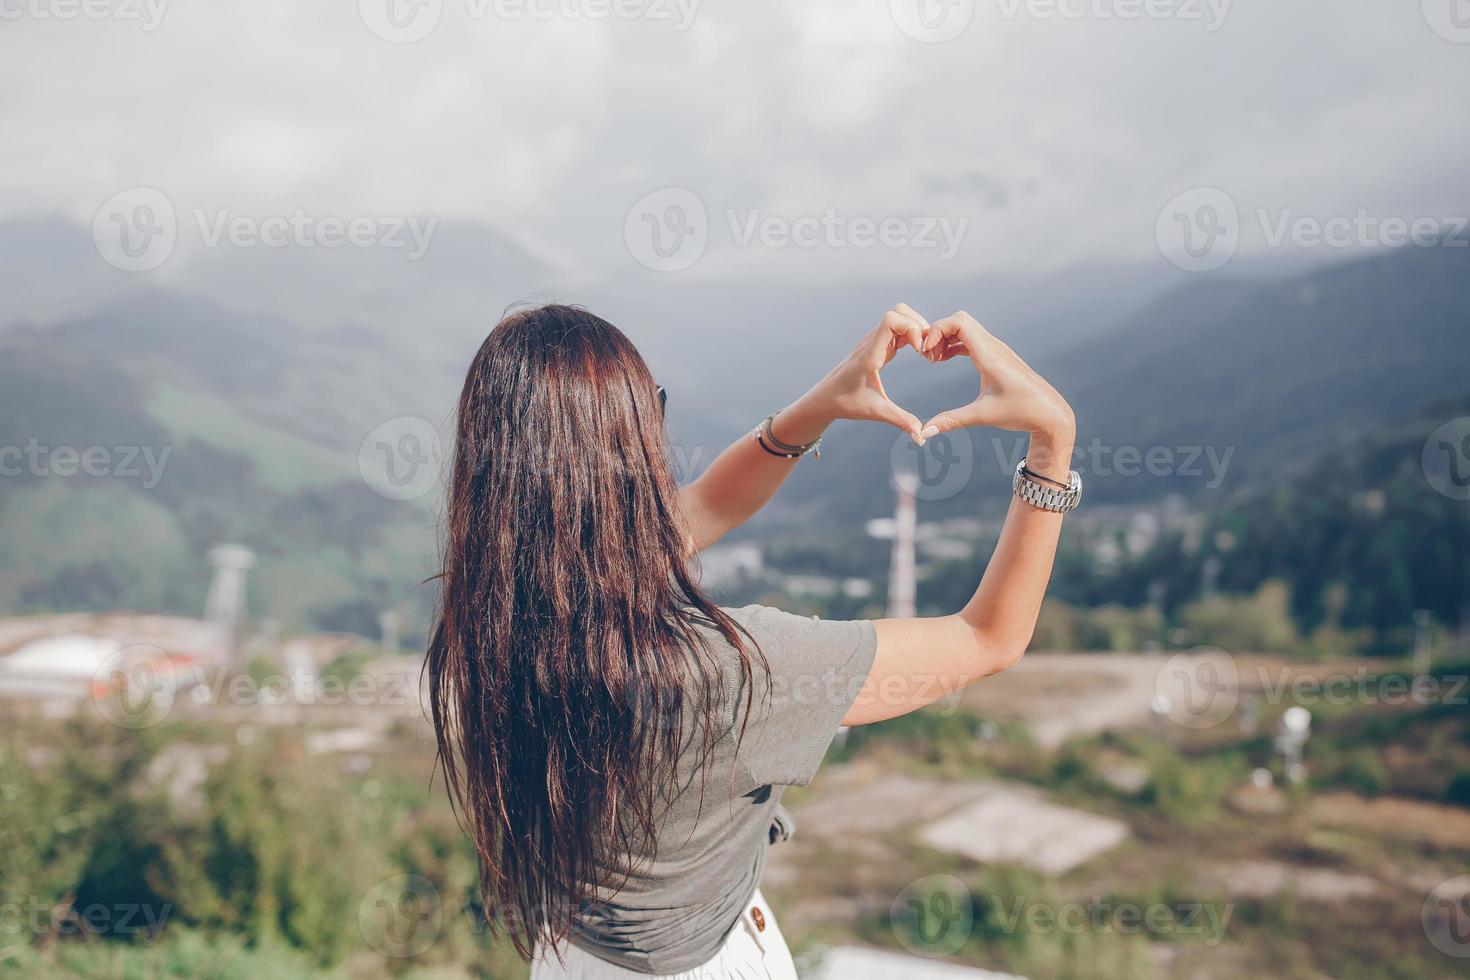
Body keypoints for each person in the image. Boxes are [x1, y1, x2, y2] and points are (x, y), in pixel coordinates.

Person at [426, 302, 1078, 979]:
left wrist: (824, 402)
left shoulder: (500, 603)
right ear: (625, 452)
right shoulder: (728, 671)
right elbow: (986, 638)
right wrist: (1052, 444)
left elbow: (709, 503)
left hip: (569, 956)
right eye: (651, 413)